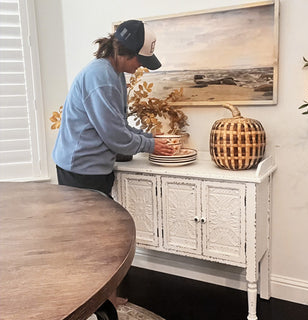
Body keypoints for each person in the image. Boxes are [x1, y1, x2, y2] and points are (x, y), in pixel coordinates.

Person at [52, 19, 173, 317]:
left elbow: (118, 125)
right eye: (139, 60)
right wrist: (150, 145)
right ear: (124, 52)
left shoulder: (114, 74)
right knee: (91, 242)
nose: (140, 67)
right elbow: (116, 136)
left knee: (100, 240)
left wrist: (149, 138)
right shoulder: (102, 77)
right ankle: (84, 303)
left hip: (93, 164)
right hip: (80, 167)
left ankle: (105, 298)